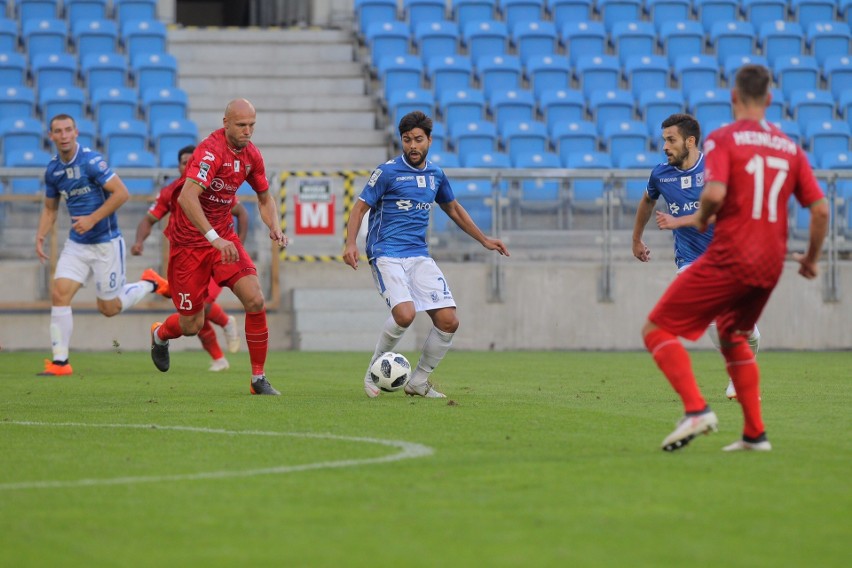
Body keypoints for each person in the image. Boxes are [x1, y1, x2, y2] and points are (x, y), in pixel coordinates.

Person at [641, 65, 828, 452]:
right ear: (770, 100)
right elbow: (821, 210)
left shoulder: (724, 140)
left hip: (729, 256)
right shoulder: (790, 148)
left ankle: (696, 410)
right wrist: (810, 259)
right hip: (770, 264)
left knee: (656, 330)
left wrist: (696, 218)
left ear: (734, 98)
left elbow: (714, 194)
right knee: (730, 333)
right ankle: (755, 435)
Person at [344, 110, 510, 398]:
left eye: (418, 140)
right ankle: (373, 371)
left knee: (449, 320)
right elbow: (360, 208)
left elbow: (454, 209)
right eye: (407, 140)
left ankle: (418, 381)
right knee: (405, 314)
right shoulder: (386, 172)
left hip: (419, 255)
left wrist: (483, 239)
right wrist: (349, 244)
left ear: (429, 141)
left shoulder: (436, 175)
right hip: (387, 252)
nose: (412, 146)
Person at [149, 98, 288, 396]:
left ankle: (258, 379)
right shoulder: (210, 152)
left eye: (252, 125)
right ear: (225, 123)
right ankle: (160, 334)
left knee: (254, 299)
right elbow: (187, 198)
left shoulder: (251, 155)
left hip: (222, 238)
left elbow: (265, 198)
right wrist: (214, 238)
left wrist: (274, 226)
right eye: (241, 125)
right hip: (190, 245)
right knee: (191, 325)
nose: (248, 131)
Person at [632, 113, 761, 401]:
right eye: (664, 140)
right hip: (690, 260)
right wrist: (636, 239)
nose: (665, 146)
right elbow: (646, 202)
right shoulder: (661, 174)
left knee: (746, 330)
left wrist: (680, 221)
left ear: (690, 141)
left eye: (671, 140)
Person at [35, 114, 166, 376]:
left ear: (76, 133)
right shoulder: (53, 170)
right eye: (57, 131)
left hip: (106, 244)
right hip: (77, 245)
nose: (63, 135)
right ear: (51, 136)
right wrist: (40, 236)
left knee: (109, 308)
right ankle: (61, 362)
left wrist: (92, 218)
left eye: (67, 130)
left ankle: (150, 283)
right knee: (59, 293)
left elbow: (122, 193)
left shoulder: (91, 161)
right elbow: (50, 210)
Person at [131, 144, 248, 372]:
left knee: (210, 304)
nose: (187, 166)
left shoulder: (215, 187)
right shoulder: (171, 192)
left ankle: (223, 345)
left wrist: (237, 244)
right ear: (178, 166)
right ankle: (163, 330)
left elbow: (242, 213)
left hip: (217, 253)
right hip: (187, 258)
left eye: (191, 162)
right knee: (192, 321)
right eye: (184, 162)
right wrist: (138, 241)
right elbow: (148, 220)